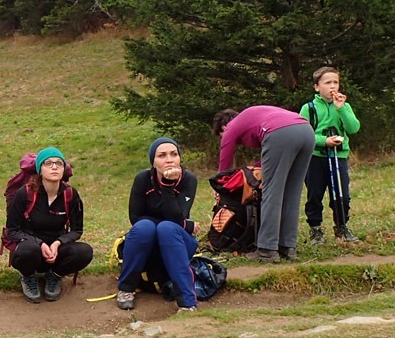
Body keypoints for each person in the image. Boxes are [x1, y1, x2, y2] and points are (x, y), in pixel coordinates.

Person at [214, 106, 316, 262]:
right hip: (306, 131)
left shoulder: (231, 127)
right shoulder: (252, 117)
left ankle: (267, 249)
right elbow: (270, 158)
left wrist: (220, 188)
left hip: (280, 133)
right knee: (292, 193)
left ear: (223, 128)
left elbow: (224, 164)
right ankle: (287, 247)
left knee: (272, 193)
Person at [115, 138, 199, 310]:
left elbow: (176, 219)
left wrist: (167, 186)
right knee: (144, 227)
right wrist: (188, 225)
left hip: (176, 242)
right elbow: (135, 217)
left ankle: (187, 302)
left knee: (166, 228)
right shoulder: (143, 179)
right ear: (153, 162)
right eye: (162, 156)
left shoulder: (188, 179)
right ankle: (126, 288)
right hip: (147, 242)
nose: (169, 160)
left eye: (174, 154)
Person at [5, 147, 94, 304]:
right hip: (29, 250)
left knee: (84, 251)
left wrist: (58, 243)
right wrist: (40, 244)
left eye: (59, 163)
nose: (54, 167)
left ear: (63, 169)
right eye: (48, 163)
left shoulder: (70, 194)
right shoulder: (24, 194)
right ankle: (28, 277)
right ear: (40, 169)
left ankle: (55, 276)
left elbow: (77, 230)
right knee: (28, 250)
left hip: (56, 252)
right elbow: (12, 231)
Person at [299, 67, 361, 245]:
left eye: (336, 82)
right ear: (317, 87)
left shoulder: (344, 106)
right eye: (328, 83)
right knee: (315, 194)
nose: (332, 86)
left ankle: (341, 226)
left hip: (338, 156)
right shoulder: (308, 108)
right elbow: (302, 133)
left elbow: (353, 128)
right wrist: (323, 141)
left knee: (342, 195)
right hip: (315, 157)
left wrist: (341, 109)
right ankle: (315, 229)